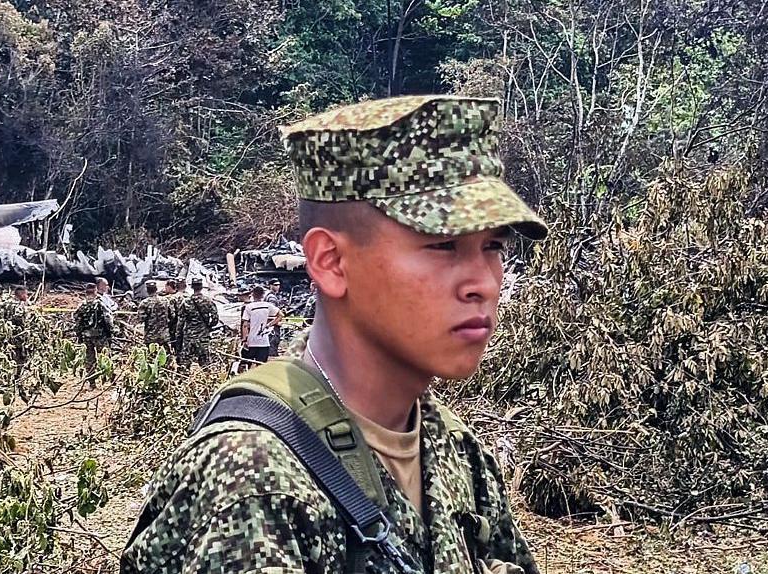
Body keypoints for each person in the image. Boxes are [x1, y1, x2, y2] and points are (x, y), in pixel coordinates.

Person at [122, 96, 548, 573]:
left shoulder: (457, 451)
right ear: (331, 262)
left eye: (493, 246)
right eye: (443, 246)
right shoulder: (253, 481)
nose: (485, 282)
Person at [74, 282, 114, 385]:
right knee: (105, 356)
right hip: (100, 335)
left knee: (89, 359)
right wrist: (110, 332)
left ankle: (92, 382)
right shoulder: (99, 304)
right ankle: (109, 378)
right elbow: (108, 319)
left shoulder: (81, 306)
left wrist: (79, 335)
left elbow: (77, 322)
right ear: (95, 291)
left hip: (87, 336)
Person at [175, 277, 219, 367]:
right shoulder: (208, 301)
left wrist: (178, 336)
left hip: (189, 336)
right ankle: (207, 380)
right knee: (205, 364)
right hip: (203, 336)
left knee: (185, 363)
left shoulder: (186, 302)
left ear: (192, 287)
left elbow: (180, 322)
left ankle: (184, 379)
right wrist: (208, 326)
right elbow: (215, 318)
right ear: (202, 286)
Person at [240, 284, 282, 365]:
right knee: (261, 365)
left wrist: (244, 339)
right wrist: (270, 324)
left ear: (253, 295)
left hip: (251, 341)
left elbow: (245, 325)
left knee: (247, 365)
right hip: (264, 342)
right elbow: (281, 315)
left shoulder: (249, 307)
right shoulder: (268, 306)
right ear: (263, 295)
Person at [137, 280, 174, 351]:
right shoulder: (165, 301)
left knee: (151, 358)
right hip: (164, 336)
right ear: (156, 289)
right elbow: (172, 315)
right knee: (165, 357)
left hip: (151, 337)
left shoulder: (144, 303)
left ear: (147, 290)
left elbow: (140, 319)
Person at [264, 278, 284, 356]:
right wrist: (276, 322)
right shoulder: (271, 297)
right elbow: (271, 313)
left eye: (278, 285)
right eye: (275, 285)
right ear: (270, 286)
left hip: (269, 324)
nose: (277, 287)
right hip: (272, 325)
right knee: (273, 343)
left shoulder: (268, 295)